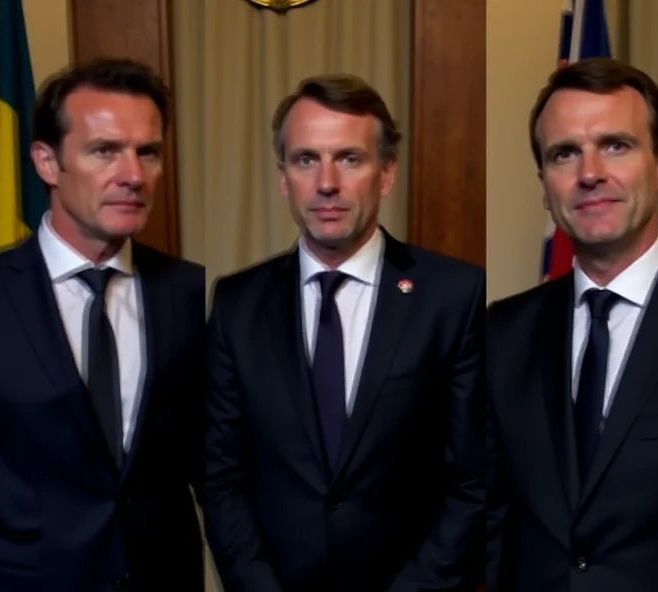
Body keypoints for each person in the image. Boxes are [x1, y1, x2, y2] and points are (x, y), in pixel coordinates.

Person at [204, 74, 485, 591]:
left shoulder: (452, 296)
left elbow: (470, 480)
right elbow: (223, 479)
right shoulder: (236, 305)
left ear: (386, 173)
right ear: (283, 177)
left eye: (349, 159)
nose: (326, 182)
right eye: (306, 159)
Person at [486, 56, 658, 591]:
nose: (589, 174)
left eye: (616, 145)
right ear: (545, 186)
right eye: (565, 154)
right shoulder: (501, 335)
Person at [0, 58, 205, 591]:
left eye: (147, 152)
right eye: (104, 150)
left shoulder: (185, 291)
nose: (132, 174)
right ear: (46, 162)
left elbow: (209, 462)